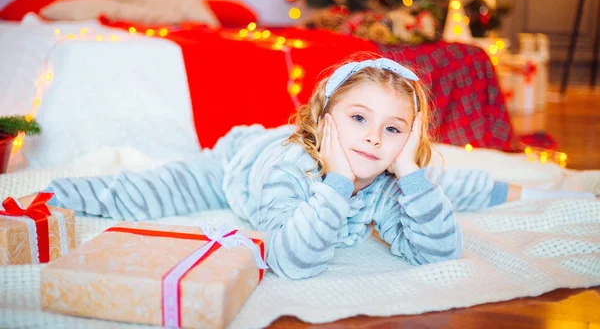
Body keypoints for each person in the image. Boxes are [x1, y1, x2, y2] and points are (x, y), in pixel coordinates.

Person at [20, 55, 596, 280]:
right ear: (325, 119)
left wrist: (414, 173)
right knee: (155, 188)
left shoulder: (393, 169)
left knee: (459, 184)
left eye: (393, 129)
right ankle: (57, 190)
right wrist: (339, 183)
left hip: (352, 168)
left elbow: (437, 252)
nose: (373, 137)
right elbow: (294, 260)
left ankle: (543, 187)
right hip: (239, 161)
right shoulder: (288, 173)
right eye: (358, 119)